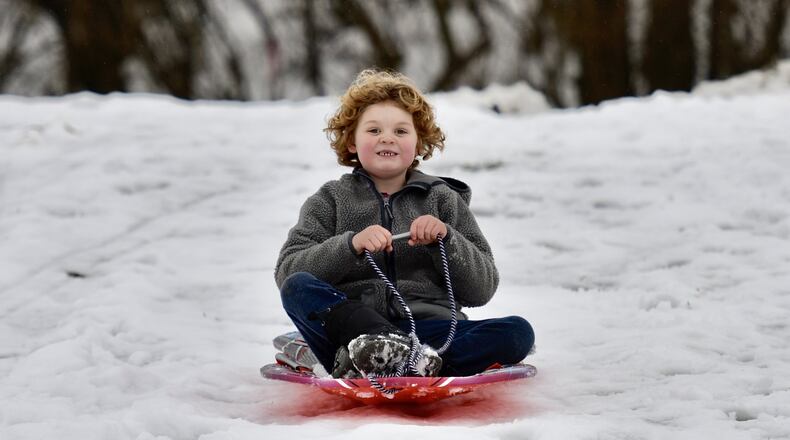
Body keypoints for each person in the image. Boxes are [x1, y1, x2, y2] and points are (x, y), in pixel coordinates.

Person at [275, 69, 534, 379]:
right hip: (353, 335)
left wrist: (446, 239)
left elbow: (482, 288)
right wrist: (350, 245)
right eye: (373, 130)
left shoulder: (442, 200)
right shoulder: (330, 200)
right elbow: (288, 271)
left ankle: (416, 364)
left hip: (432, 332)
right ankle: (379, 352)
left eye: (401, 131)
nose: (387, 137)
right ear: (352, 142)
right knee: (297, 287)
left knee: (518, 332)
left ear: (418, 141)